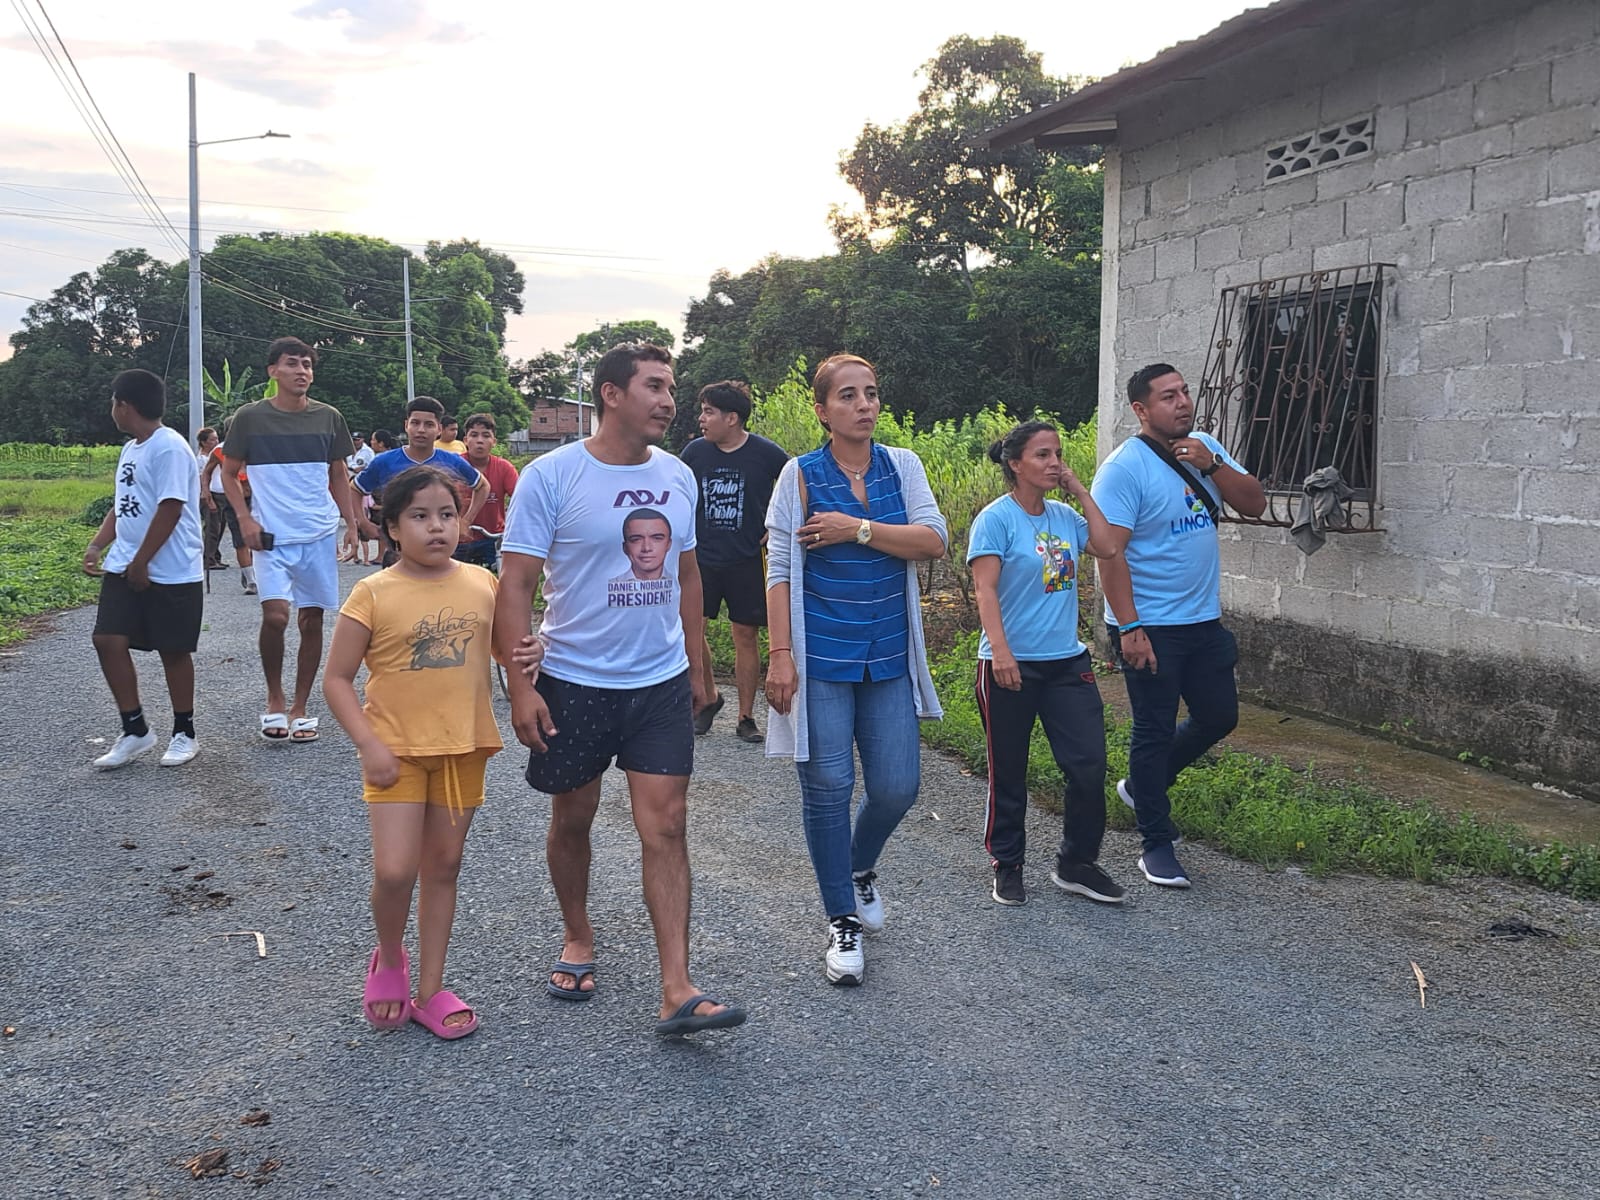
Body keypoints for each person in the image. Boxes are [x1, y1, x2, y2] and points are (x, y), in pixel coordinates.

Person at [495, 342, 747, 1037]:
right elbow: (515, 584)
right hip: (573, 679)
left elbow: (688, 576)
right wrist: (520, 688)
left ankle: (677, 987)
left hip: (657, 683)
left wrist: (698, 666)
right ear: (611, 394)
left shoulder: (678, 475)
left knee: (667, 824)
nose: (669, 401)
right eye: (654, 387)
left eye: (671, 388)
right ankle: (578, 934)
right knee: (573, 818)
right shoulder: (551, 476)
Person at [764, 353, 947, 987]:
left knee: (897, 787)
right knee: (828, 786)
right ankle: (841, 918)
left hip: (889, 653)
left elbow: (933, 541)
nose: (864, 405)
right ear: (822, 410)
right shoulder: (799, 475)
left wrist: (857, 529)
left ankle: (857, 866)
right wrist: (780, 655)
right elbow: (779, 569)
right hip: (822, 656)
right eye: (847, 395)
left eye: (870, 393)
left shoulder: (903, 466)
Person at [323, 466, 512, 1040]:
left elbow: (507, 651)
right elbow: (337, 679)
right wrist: (368, 743)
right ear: (392, 528)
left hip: (463, 748)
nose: (437, 527)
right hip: (395, 752)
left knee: (444, 867)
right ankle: (389, 956)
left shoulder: (482, 583)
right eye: (420, 516)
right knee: (395, 870)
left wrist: (532, 651)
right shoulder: (372, 592)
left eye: (447, 515)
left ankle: (430, 989)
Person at [1090, 363, 1267, 889]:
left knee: (1219, 716)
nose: (1183, 402)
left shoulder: (1205, 447)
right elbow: (1109, 554)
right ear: (1141, 410)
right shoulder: (1124, 470)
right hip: (1151, 625)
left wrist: (1213, 466)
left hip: (1203, 620)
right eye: (1168, 396)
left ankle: (1143, 786)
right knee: (1154, 727)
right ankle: (1155, 844)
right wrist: (1130, 627)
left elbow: (1254, 504)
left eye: (1184, 392)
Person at [969, 421, 1126, 908]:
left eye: (1057, 453)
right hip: (1009, 665)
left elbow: (1108, 547)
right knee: (1009, 770)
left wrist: (1080, 490)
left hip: (1066, 663)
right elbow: (984, 589)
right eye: (1042, 455)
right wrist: (1001, 652)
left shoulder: (1064, 516)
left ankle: (1077, 864)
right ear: (1015, 464)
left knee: (1088, 765)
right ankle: (1008, 864)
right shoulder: (996, 520)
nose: (1054, 462)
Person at [221, 337, 362, 744]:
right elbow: (228, 473)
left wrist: (351, 524)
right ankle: (275, 697)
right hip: (271, 537)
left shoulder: (329, 417)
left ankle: (300, 707)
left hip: (318, 533)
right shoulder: (249, 418)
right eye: (292, 363)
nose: (302, 371)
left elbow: (338, 474)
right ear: (273, 371)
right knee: (276, 616)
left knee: (311, 619)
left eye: (307, 365)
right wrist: (244, 518)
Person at [82, 369, 204, 769]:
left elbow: (171, 508)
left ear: (124, 405)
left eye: (113, 402)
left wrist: (142, 562)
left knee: (173, 651)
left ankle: (184, 732)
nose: (112, 409)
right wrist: (98, 544)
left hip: (172, 568)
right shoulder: (131, 449)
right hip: (126, 562)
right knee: (107, 639)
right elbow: (122, 504)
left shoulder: (169, 447)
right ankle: (135, 729)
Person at [680, 380, 788, 744]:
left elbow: (797, 486)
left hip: (746, 559)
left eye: (708, 412)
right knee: (692, 628)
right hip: (702, 557)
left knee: (745, 634)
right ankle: (709, 697)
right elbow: (676, 493)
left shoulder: (765, 453)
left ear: (732, 418)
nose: (701, 419)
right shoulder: (695, 453)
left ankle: (746, 716)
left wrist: (777, 525)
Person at [354, 398, 489, 558]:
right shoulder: (384, 462)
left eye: (429, 425)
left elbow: (482, 486)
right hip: (399, 551)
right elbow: (355, 489)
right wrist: (362, 521)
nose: (421, 430)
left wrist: (465, 521)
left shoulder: (452, 461)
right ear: (406, 425)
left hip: (440, 548)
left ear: (439, 429)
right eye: (415, 423)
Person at [454, 412, 518, 573]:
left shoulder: (504, 468)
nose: (479, 440)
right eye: (474, 435)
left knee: (502, 580)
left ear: (494, 441)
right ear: (465, 440)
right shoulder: (454, 465)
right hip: (457, 538)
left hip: (493, 538)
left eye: (486, 435)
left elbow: (521, 500)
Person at [201, 418, 256, 592]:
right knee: (240, 540)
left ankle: (252, 571)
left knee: (258, 538)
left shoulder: (255, 447)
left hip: (257, 498)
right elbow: (206, 472)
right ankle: (251, 581)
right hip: (233, 499)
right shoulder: (219, 451)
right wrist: (206, 492)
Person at [197, 427, 226, 570]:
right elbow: (201, 477)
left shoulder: (217, 454)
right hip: (208, 495)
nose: (216, 441)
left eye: (216, 438)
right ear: (203, 442)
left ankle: (215, 556)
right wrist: (206, 495)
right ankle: (208, 559)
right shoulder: (201, 459)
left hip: (220, 492)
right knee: (212, 528)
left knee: (219, 527)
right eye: (212, 439)